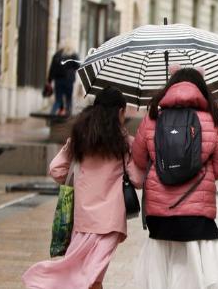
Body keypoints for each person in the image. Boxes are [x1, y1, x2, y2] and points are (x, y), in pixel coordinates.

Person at [23, 87, 143, 289]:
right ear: (121, 112)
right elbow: (138, 180)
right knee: (92, 276)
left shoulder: (79, 139)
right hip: (109, 222)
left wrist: (80, 179)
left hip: (83, 220)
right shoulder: (125, 144)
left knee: (86, 276)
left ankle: (43, 280)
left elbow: (56, 169)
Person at [132, 67, 218, 289]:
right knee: (194, 274)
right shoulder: (211, 119)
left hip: (160, 212)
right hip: (197, 213)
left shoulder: (152, 118)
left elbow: (139, 160)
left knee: (162, 273)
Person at [47, 42, 80, 116]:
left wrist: (49, 81)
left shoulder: (57, 55)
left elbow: (52, 69)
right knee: (69, 99)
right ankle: (68, 116)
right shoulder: (73, 55)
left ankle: (52, 116)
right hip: (69, 81)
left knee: (58, 100)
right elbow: (78, 66)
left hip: (58, 80)